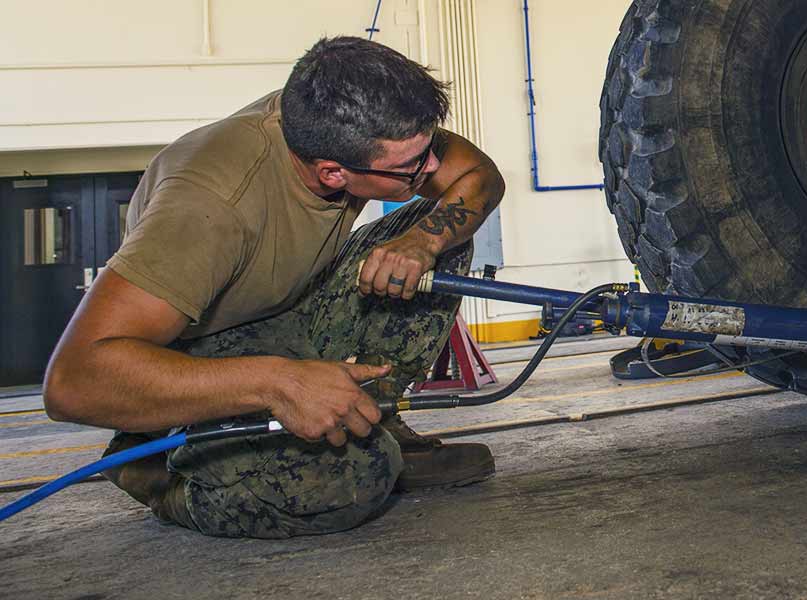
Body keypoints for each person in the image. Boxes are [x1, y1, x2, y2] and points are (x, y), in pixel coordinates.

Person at [42, 36, 506, 538]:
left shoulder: (341, 125)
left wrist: (421, 242)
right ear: (334, 172)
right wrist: (278, 382)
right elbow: (73, 383)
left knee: (442, 240)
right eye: (413, 166)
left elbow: (479, 176)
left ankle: (374, 423)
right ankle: (165, 468)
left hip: (294, 295)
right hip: (209, 347)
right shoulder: (208, 206)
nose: (432, 169)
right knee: (343, 487)